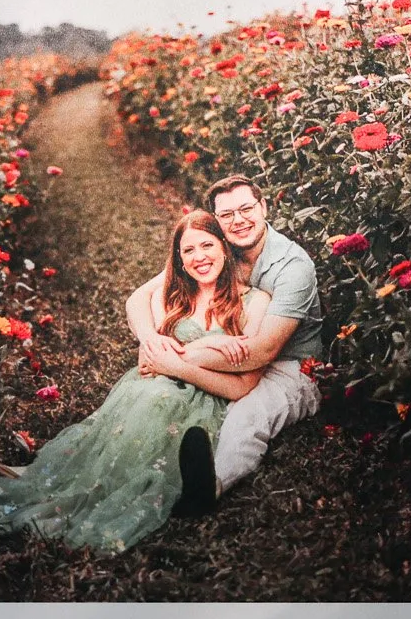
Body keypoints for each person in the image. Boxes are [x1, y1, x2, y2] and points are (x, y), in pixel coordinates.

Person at [0, 211, 272, 554]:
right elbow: (150, 359)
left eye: (207, 245)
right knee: (142, 409)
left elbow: (243, 383)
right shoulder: (171, 299)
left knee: (162, 408)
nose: (199, 257)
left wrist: (180, 361)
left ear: (225, 248)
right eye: (189, 251)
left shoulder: (254, 302)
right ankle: (52, 485)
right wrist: (208, 345)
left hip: (204, 395)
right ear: (180, 261)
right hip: (145, 387)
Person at [125, 174, 322, 515]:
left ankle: (210, 485)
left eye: (246, 208)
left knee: (247, 413)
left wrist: (174, 358)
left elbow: (261, 351)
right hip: (223, 350)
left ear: (263, 207)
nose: (239, 220)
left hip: (288, 363)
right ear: (216, 220)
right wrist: (152, 340)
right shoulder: (217, 245)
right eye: (227, 214)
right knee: (168, 399)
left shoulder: (293, 267)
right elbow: (139, 298)